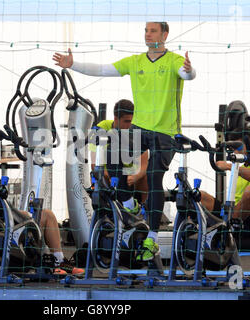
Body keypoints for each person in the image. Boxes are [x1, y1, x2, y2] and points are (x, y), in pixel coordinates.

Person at [53, 22, 196, 261]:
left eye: (152, 30)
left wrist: (189, 70)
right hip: (140, 128)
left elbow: (186, 74)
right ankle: (129, 204)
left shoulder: (174, 60)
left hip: (166, 132)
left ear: (164, 34)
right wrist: (73, 65)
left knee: (153, 177)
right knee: (112, 158)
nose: (147, 34)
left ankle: (152, 237)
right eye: (146, 31)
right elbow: (102, 69)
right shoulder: (135, 61)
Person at [200, 129, 250, 233]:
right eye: (233, 148)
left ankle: (227, 229)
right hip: (233, 210)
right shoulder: (239, 168)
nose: (235, 151)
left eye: (238, 147)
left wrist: (230, 166)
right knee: (200, 196)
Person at [89, 99, 149, 205]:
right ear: (116, 119)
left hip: (129, 175)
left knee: (146, 177)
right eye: (127, 121)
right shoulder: (102, 127)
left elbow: (144, 164)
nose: (130, 125)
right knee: (96, 176)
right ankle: (103, 212)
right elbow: (94, 164)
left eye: (132, 121)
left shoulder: (135, 129)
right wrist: (109, 175)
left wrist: (136, 176)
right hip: (108, 176)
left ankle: (145, 214)